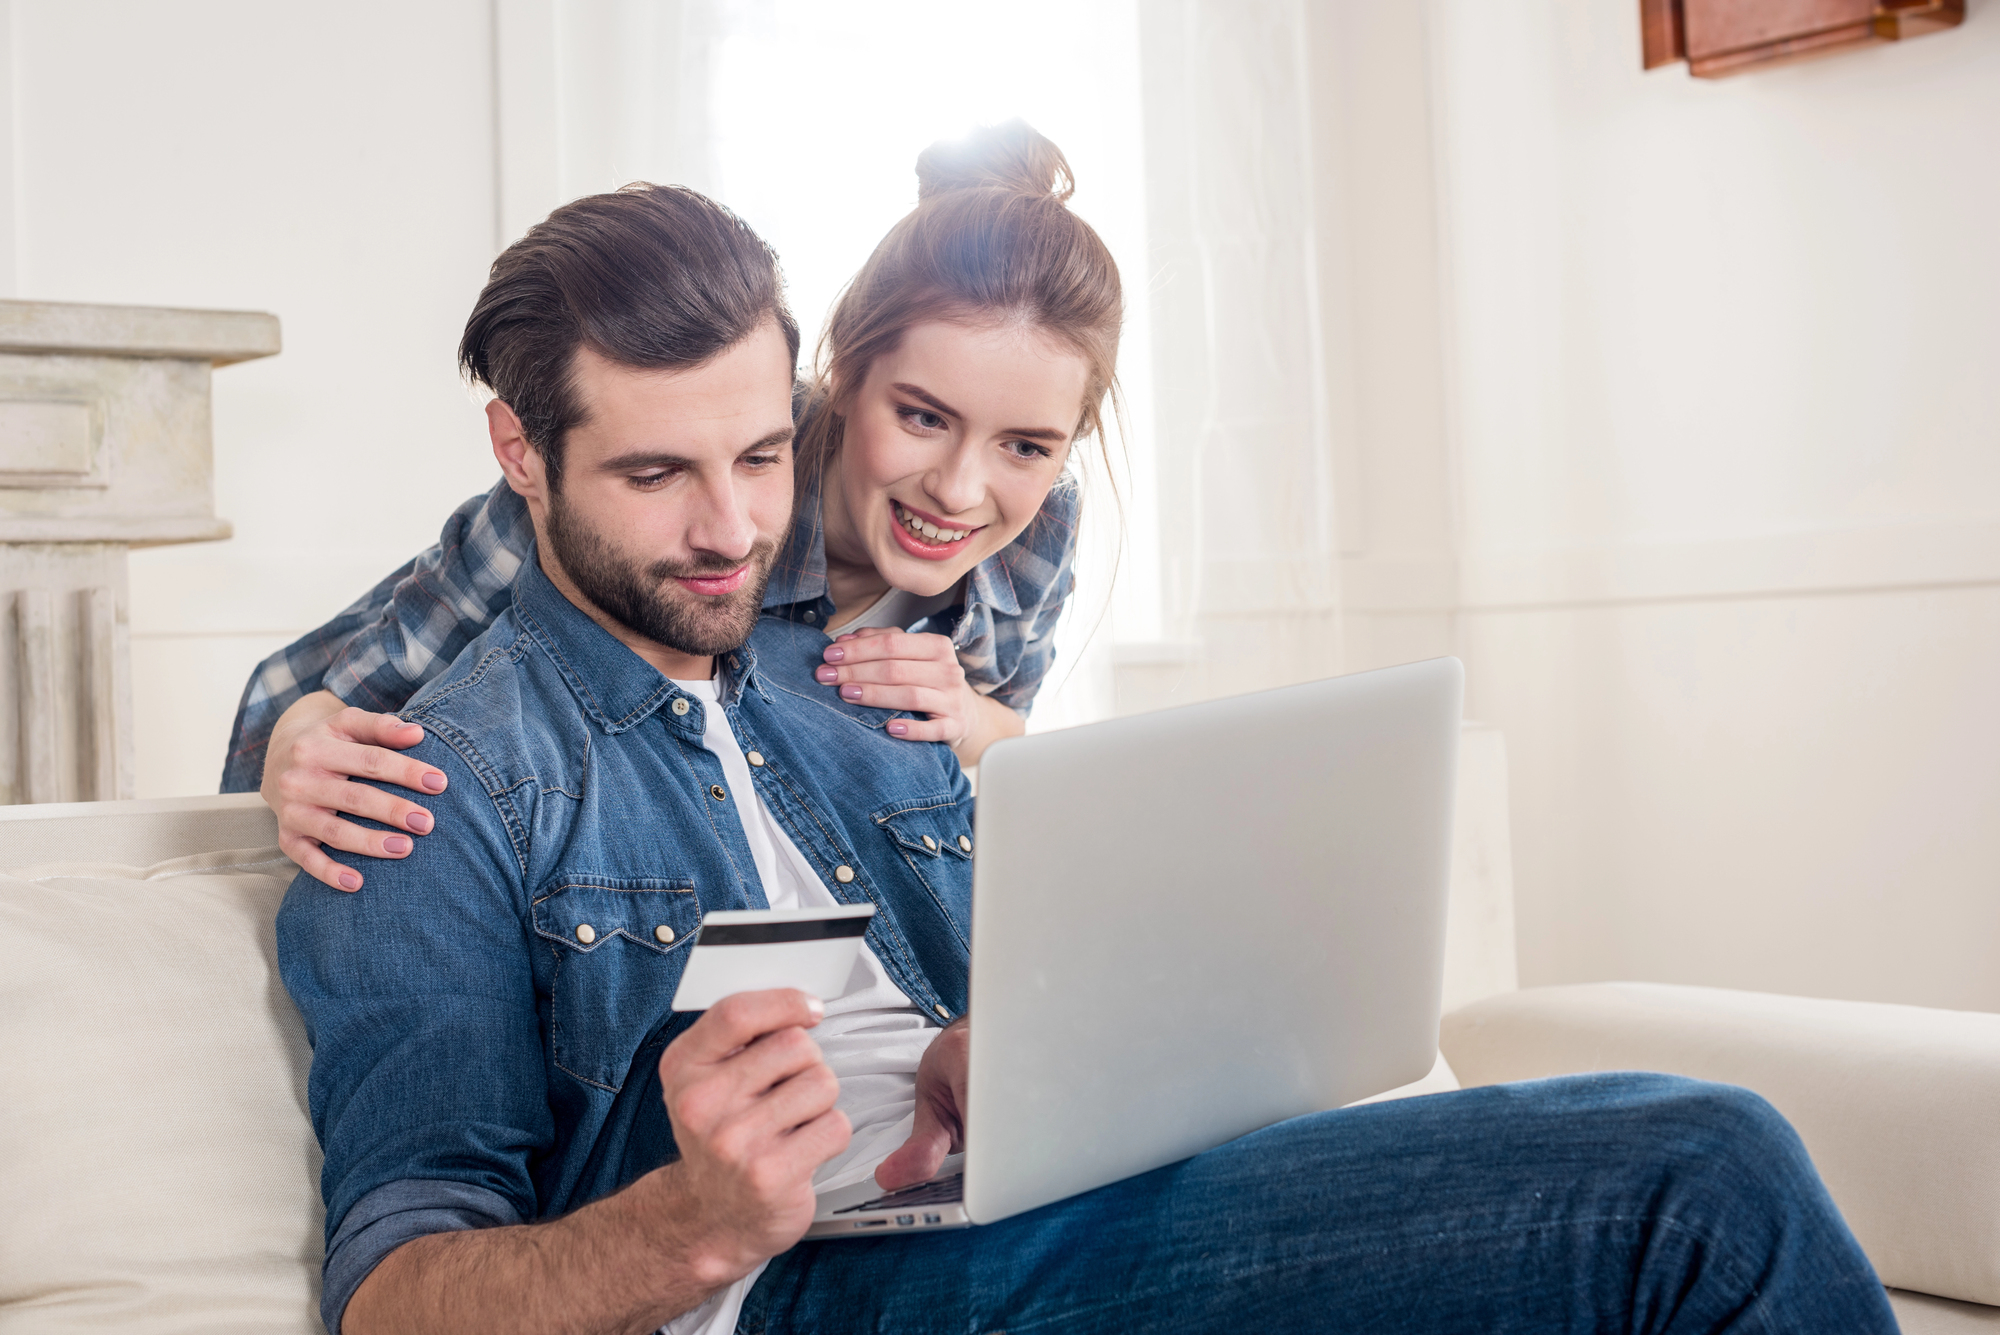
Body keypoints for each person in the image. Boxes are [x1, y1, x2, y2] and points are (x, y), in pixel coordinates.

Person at [278, 181, 1900, 1335]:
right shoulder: (429, 780)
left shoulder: (891, 676)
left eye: (764, 455)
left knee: (1692, 1150)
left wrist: (1043, 1054)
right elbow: (402, 1294)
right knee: (1698, 1172)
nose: (728, 527)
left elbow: (1025, 1007)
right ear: (523, 455)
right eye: (653, 473)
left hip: (1057, 1200)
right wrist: (685, 1225)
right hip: (804, 1286)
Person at [225, 120, 1111, 896]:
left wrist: (972, 718)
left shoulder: (1039, 532)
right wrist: (301, 734)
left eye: (1027, 445)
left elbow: (1001, 747)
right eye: (922, 417)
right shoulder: (621, 480)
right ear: (844, 376)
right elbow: (301, 701)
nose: (959, 491)